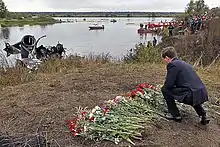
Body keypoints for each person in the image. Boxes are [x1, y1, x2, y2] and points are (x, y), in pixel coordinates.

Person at [161, 47, 210, 125]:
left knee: (165, 89)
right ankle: (202, 114)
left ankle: (175, 115)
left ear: (167, 58)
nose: (164, 61)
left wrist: (171, 87)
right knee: (190, 91)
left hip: (191, 95)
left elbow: (168, 85)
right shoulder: (184, 64)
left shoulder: (172, 65)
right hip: (201, 93)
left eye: (163, 59)